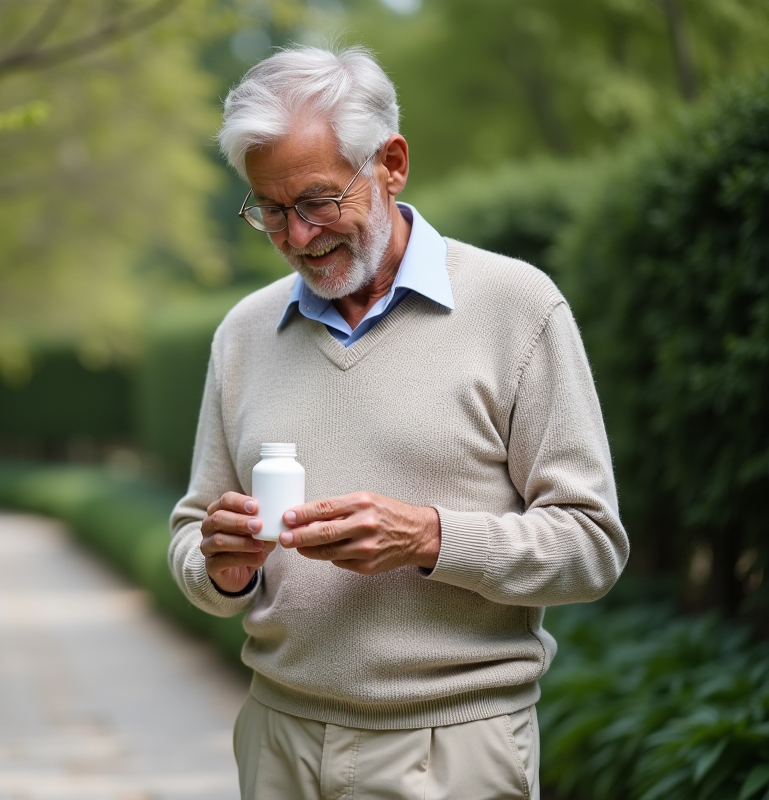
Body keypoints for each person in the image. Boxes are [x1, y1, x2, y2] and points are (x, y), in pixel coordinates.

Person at [168, 45, 628, 800]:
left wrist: (430, 538)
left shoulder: (518, 308)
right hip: (276, 741)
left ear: (392, 163)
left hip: (454, 750)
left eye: (317, 201)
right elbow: (194, 531)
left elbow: (592, 545)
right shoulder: (243, 333)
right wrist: (221, 568)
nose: (297, 236)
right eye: (271, 210)